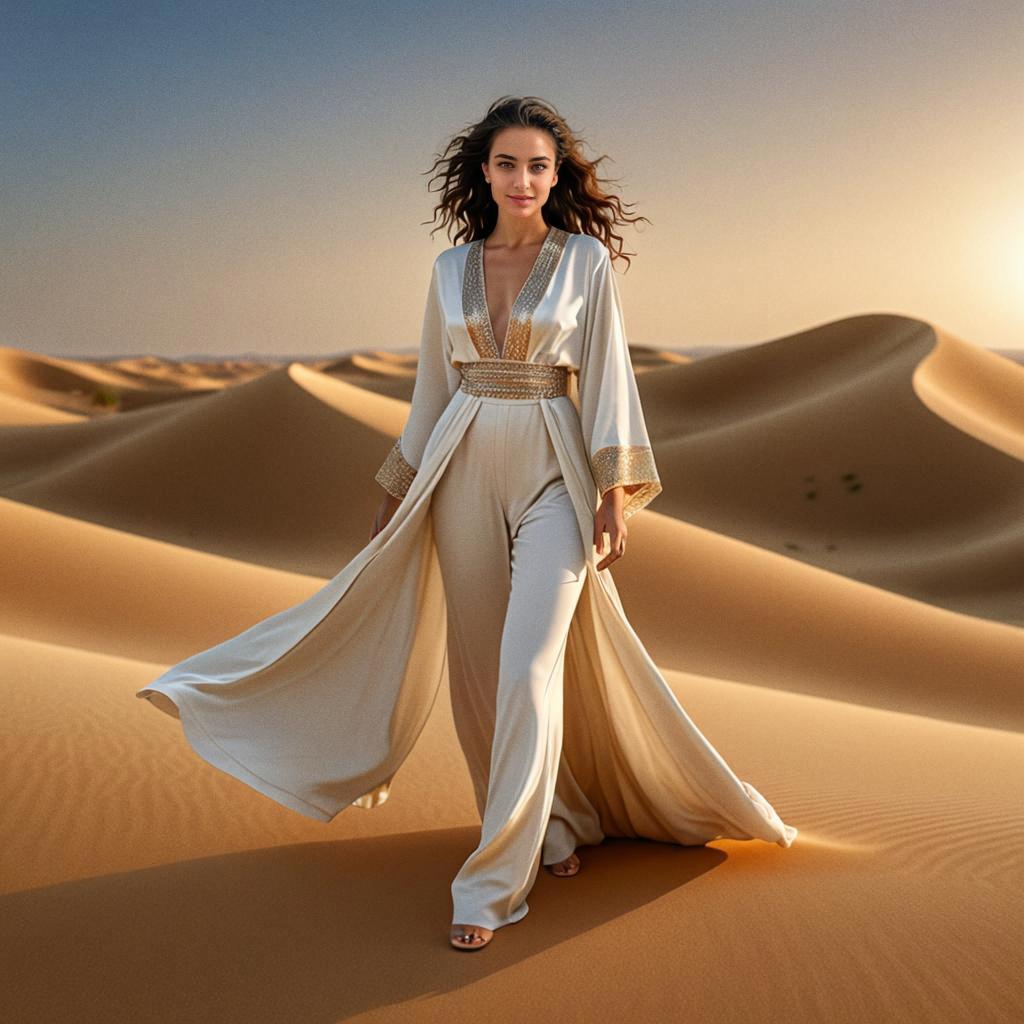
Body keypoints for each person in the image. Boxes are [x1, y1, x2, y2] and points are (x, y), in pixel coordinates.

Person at [137, 95, 797, 954]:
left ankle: (492, 884)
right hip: (457, 467)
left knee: (527, 670)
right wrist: (393, 500)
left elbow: (605, 377)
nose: (523, 179)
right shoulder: (449, 270)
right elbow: (430, 397)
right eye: (507, 163)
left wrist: (613, 491)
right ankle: (549, 826)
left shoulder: (586, 261)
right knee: (479, 681)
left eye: (538, 166)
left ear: (556, 178)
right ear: (482, 173)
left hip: (554, 469)